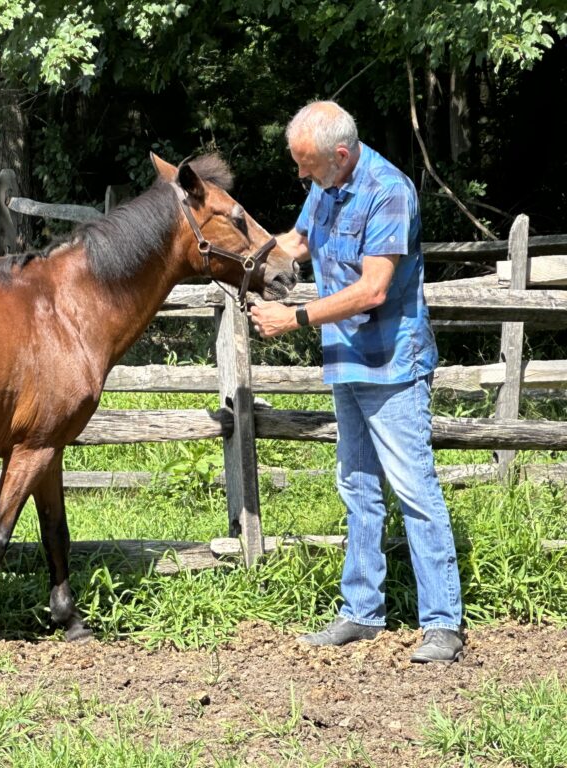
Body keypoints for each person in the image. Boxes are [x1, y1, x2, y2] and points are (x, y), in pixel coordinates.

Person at [250, 100, 464, 663]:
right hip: (346, 359)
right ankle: (362, 612)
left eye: (307, 165)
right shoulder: (326, 184)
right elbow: (297, 242)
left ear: (339, 156)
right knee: (358, 488)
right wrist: (246, 249)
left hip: (391, 363)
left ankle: (442, 623)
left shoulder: (388, 191)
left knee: (414, 490)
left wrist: (292, 317)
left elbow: (372, 289)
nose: (301, 176)